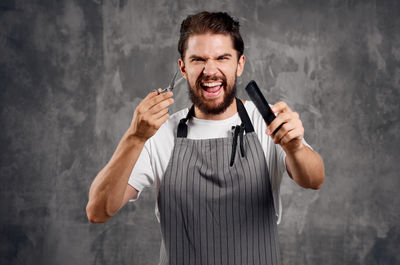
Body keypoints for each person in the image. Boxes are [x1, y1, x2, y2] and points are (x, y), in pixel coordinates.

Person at [86, 11, 325, 265]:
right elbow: (98, 211)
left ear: (239, 64)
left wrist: (296, 147)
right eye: (198, 59)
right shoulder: (158, 133)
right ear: (183, 67)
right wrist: (134, 138)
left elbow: (314, 179)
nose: (210, 70)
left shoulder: (266, 121)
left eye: (222, 57)